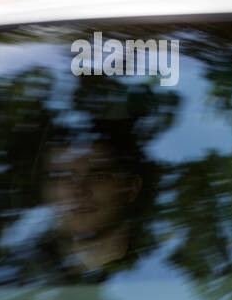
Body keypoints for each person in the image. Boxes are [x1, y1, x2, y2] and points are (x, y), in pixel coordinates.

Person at [16, 121, 152, 284]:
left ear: (131, 188)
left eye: (98, 177)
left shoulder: (160, 272)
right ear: (46, 192)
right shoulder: (11, 277)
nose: (79, 191)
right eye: (65, 177)